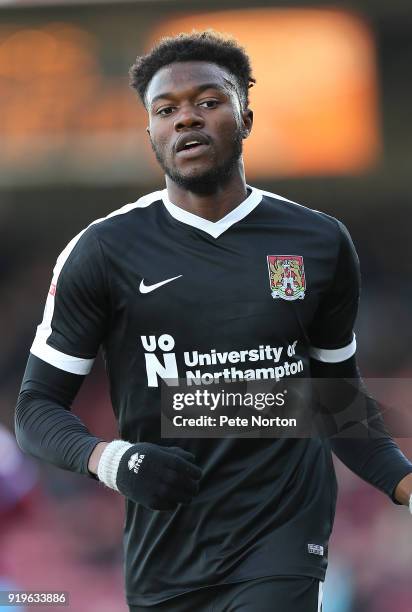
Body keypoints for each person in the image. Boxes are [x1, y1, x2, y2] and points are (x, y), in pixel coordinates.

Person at [15, 31, 412, 612]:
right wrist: (113, 460)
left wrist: (402, 481)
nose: (186, 120)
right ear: (149, 132)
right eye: (166, 109)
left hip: (283, 534)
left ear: (246, 116)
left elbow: (335, 402)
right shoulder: (101, 252)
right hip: (166, 550)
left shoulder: (317, 242)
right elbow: (35, 409)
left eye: (208, 101)